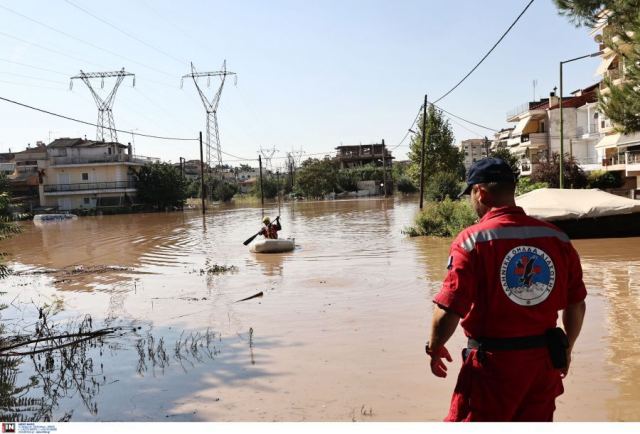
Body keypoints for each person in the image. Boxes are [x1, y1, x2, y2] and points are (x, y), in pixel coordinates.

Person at [425, 157, 587, 422]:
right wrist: (567, 348)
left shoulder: (472, 240)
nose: (471, 202)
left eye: (471, 195)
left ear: (480, 192)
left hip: (492, 368)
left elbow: (449, 309)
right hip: (543, 366)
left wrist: (434, 347)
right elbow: (576, 304)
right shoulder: (557, 238)